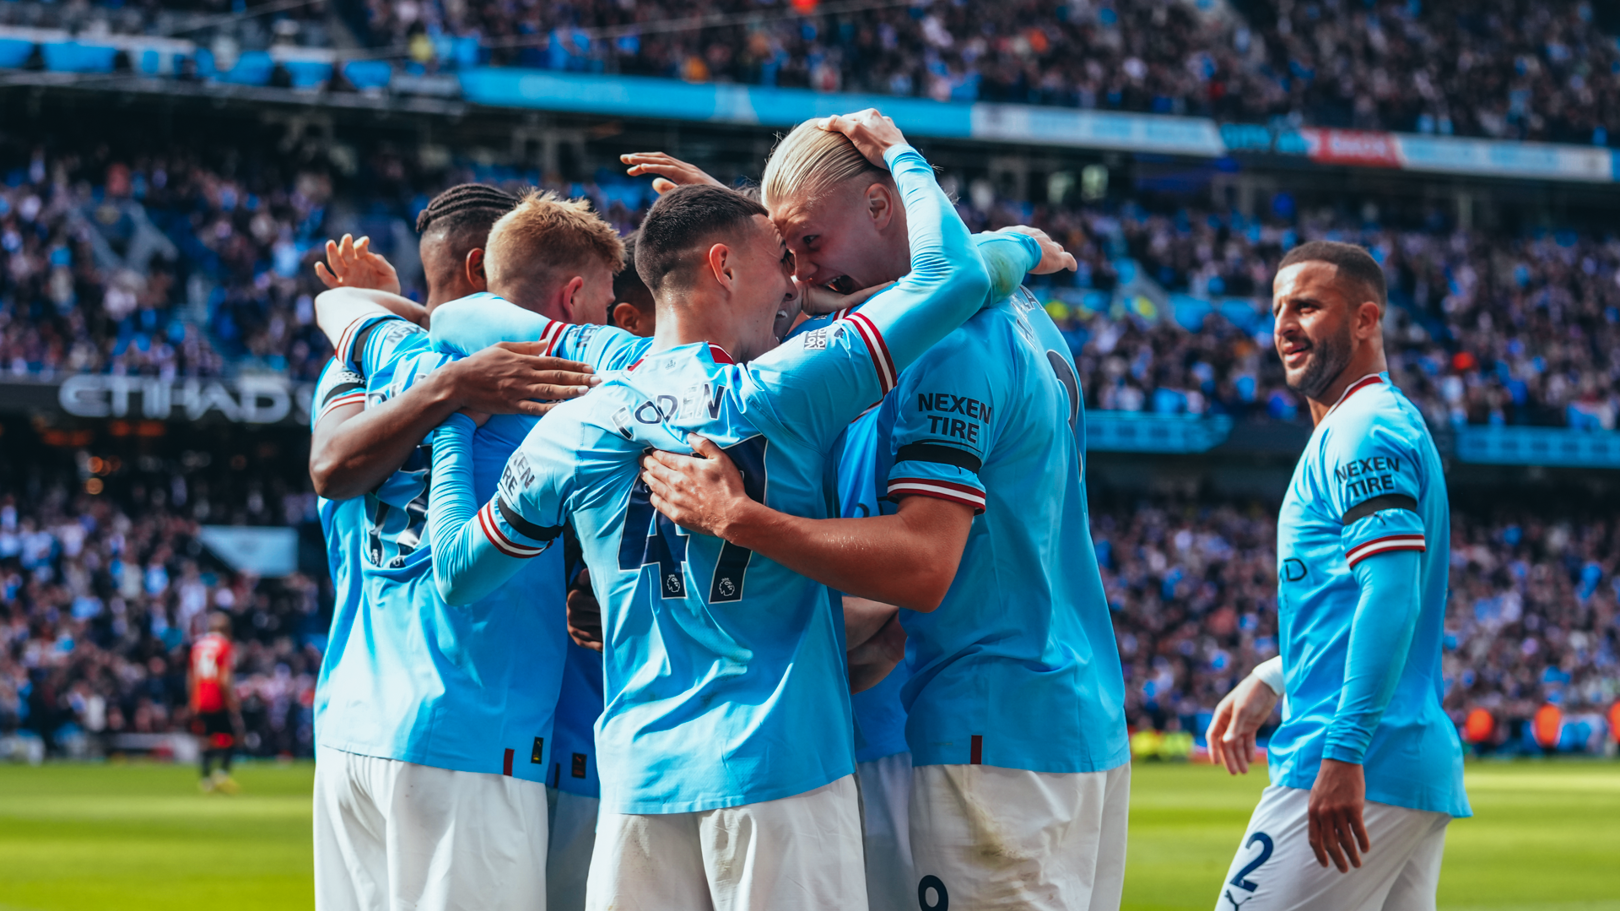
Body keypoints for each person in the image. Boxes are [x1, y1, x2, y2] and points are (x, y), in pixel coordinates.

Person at [425, 111, 1047, 910]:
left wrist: (451, 432)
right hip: (781, 778)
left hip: (641, 788)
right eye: (777, 262)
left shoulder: (576, 422)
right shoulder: (786, 389)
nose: (795, 283)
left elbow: (457, 571)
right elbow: (953, 278)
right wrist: (946, 189)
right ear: (723, 266)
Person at [633, 119, 1128, 911]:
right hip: (1069, 715)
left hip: (980, 729)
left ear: (881, 203)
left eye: (808, 240)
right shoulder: (1025, 315)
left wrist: (743, 520)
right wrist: (727, 236)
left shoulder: (946, 345)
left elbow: (922, 565)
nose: (800, 270)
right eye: (782, 257)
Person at [307, 189, 621, 911]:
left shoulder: (357, 367)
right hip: (475, 730)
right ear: (486, 266)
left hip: (353, 722)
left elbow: (330, 462)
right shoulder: (535, 386)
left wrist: (385, 310)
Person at [1203, 240, 1470, 911]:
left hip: (1355, 758)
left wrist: (1344, 750)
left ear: (1365, 320)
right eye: (1277, 309)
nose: (1284, 324)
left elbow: (1391, 591)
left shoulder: (1364, 430)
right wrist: (1274, 675)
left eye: (1308, 305)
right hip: (1398, 760)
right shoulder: (1363, 427)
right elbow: (1360, 601)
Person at [188, 611, 240, 794]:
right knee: (231, 736)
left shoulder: (198, 646)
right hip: (217, 696)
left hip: (200, 697)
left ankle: (205, 778)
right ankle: (222, 773)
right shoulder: (224, 646)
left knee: (207, 739)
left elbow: (192, 675)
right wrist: (231, 700)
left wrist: (193, 700)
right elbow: (224, 677)